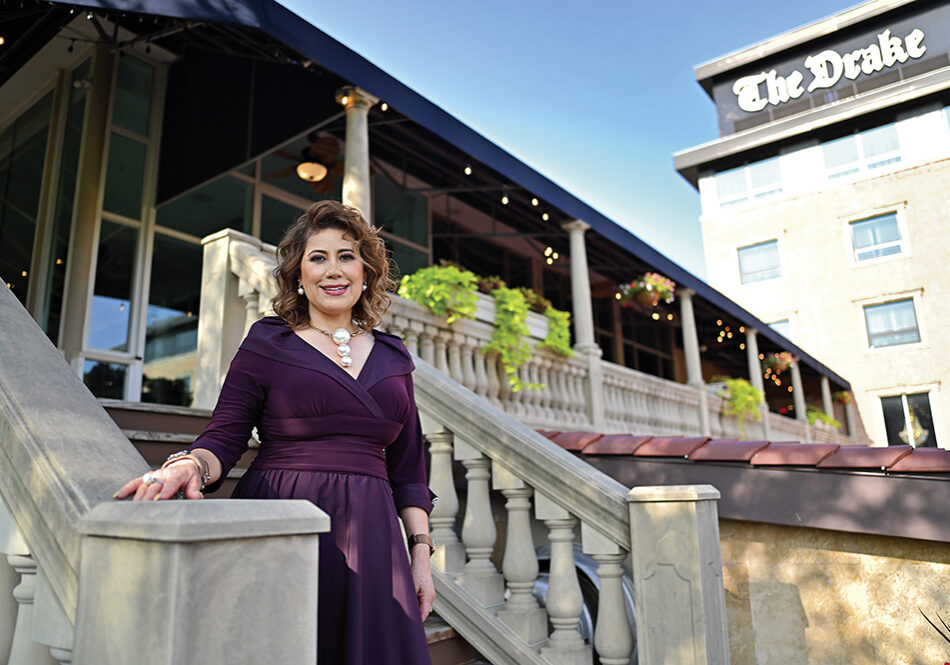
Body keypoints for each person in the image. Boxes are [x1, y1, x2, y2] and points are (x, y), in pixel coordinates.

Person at [116, 200, 436, 665]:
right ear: (298, 276)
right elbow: (225, 436)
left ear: (366, 271)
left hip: (372, 533)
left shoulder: (394, 356)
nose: (334, 270)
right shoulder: (268, 341)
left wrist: (421, 554)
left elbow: (409, 469)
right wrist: (188, 463)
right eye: (317, 257)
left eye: (346, 256)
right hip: (281, 517)